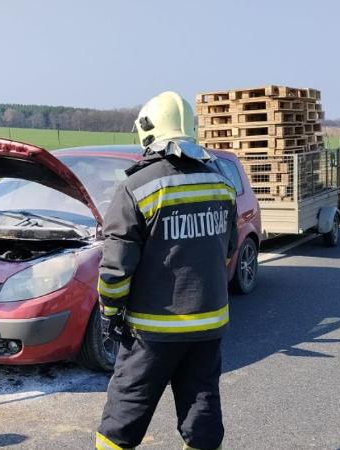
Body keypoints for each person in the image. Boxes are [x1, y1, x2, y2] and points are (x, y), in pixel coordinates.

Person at [95, 91, 238, 450]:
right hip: (209, 324)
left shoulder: (136, 187)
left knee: (123, 417)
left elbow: (115, 269)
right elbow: (229, 248)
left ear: (147, 133)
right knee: (201, 411)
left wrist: (109, 314)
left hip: (153, 330)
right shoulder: (221, 183)